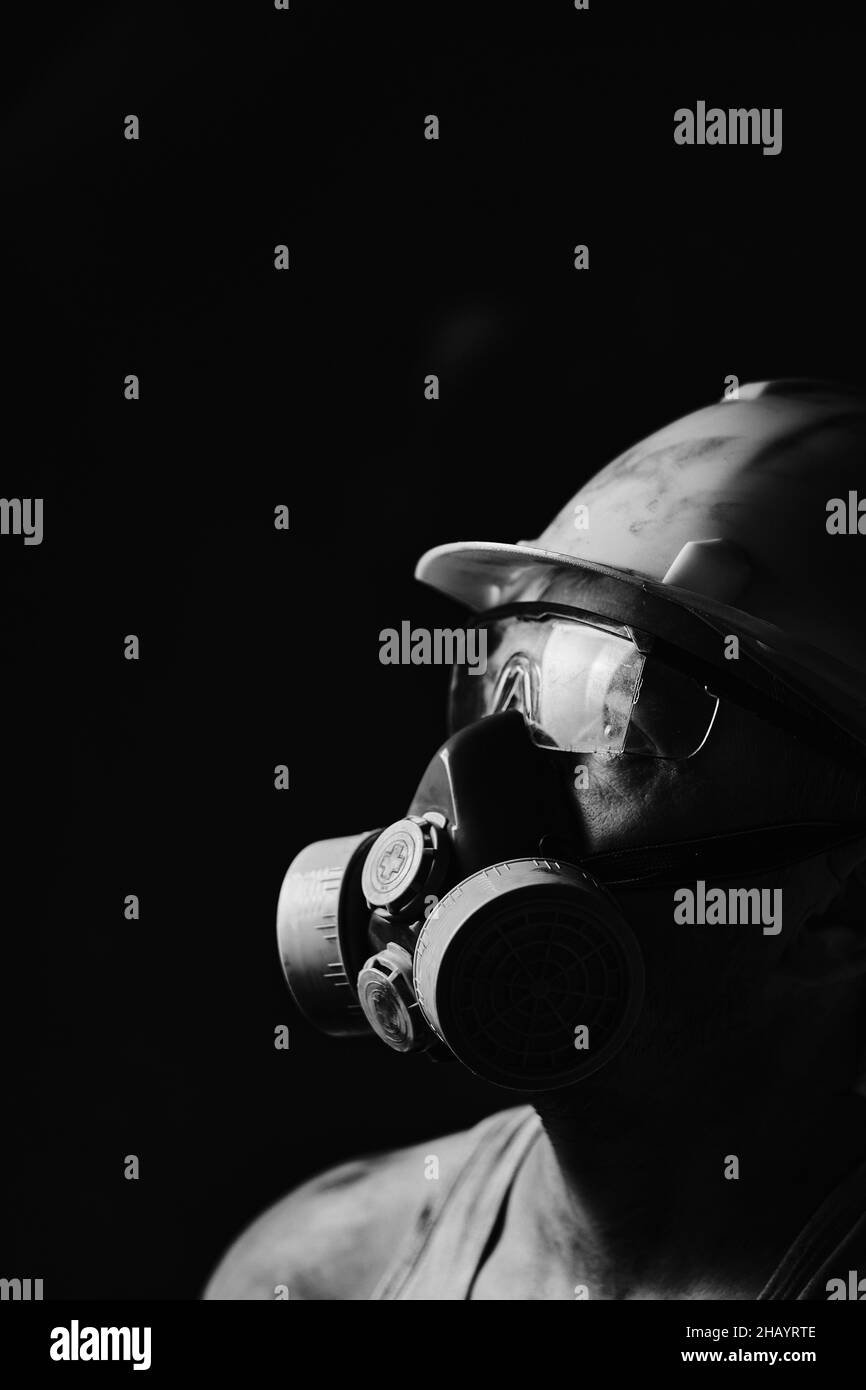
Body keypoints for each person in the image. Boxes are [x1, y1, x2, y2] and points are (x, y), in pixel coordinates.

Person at [205, 380, 866, 1300]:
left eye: (609, 700)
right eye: (508, 674)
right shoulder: (321, 1272)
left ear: (842, 890)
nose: (481, 768)